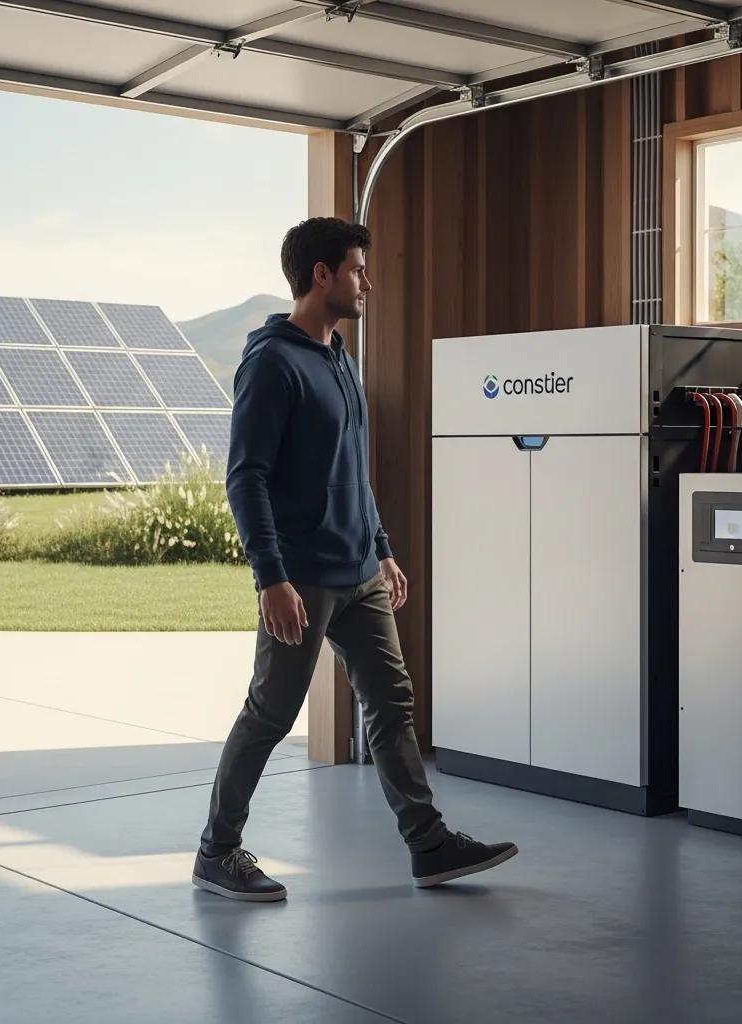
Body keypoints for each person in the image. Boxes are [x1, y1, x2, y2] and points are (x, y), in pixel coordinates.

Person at [193, 217, 518, 901]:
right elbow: (244, 476)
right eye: (358, 270)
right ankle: (217, 851)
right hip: (302, 578)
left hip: (360, 571)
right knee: (271, 714)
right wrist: (271, 577)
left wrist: (381, 547)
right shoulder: (271, 363)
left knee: (391, 702)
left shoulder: (340, 355)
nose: (367, 282)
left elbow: (351, 466)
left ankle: (428, 845)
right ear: (322, 275)